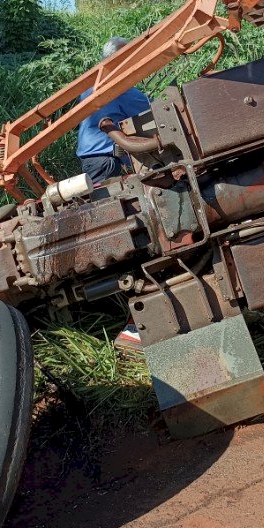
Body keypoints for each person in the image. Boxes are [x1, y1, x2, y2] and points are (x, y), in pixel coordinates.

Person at [77, 36, 151, 352]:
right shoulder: (125, 89)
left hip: (90, 161)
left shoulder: (87, 88)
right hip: (108, 161)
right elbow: (153, 114)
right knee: (126, 231)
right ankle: (135, 318)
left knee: (107, 226)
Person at [76, 37, 151, 184]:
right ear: (118, 60)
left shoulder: (91, 87)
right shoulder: (116, 89)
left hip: (95, 161)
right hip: (104, 162)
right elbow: (150, 108)